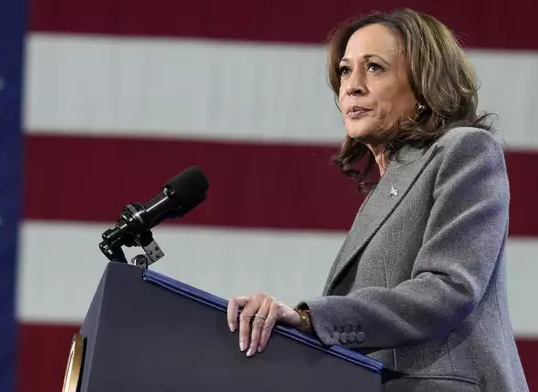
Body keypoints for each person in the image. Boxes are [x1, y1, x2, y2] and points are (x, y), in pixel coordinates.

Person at [226, 8, 530, 392]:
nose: (351, 86)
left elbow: (447, 291)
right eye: (345, 71)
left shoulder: (465, 149)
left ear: (423, 85)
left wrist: (309, 318)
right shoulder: (388, 187)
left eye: (374, 68)